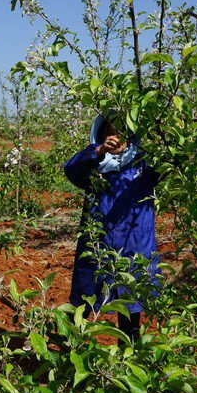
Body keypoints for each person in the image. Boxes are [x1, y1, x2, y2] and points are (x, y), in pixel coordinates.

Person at [64, 112, 159, 342]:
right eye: (111, 132)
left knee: (131, 308)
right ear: (102, 135)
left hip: (134, 245)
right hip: (97, 246)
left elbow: (174, 162)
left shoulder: (143, 165)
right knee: (84, 304)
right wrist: (98, 152)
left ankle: (129, 360)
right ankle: (71, 352)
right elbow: (70, 169)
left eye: (124, 132)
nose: (117, 138)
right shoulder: (93, 167)